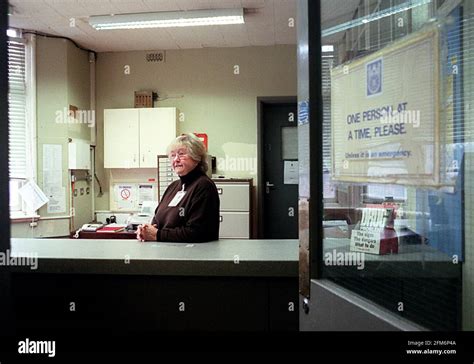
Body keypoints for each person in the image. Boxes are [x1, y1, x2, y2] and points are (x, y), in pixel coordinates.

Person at [136, 133, 220, 243]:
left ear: (197, 157)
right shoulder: (173, 187)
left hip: (191, 256)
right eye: (172, 155)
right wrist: (146, 231)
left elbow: (197, 232)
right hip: (166, 253)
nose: (176, 159)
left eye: (181, 154)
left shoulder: (204, 186)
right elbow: (157, 222)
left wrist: (158, 235)